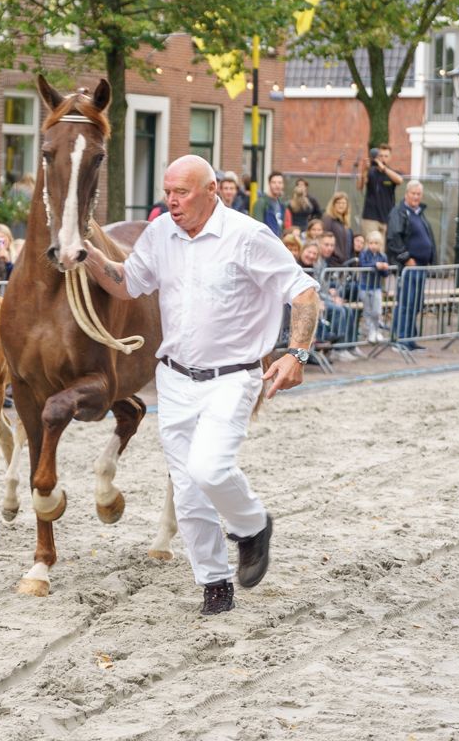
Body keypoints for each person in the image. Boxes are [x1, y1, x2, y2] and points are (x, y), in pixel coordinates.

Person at [81, 154, 321, 616]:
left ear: (212, 191)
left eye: (182, 192)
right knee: (188, 490)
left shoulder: (248, 236)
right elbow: (127, 283)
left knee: (210, 468)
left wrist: (297, 354)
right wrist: (87, 254)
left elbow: (303, 292)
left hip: (232, 377)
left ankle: (252, 526)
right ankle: (214, 583)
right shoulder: (160, 234)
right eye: (167, 192)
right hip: (173, 378)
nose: (171, 201)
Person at [386, 180, 436, 351]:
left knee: (415, 304)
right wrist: (406, 258)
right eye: (413, 193)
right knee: (406, 303)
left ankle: (410, 340)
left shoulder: (419, 213)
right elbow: (393, 238)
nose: (416, 197)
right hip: (408, 268)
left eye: (418, 194)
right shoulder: (398, 212)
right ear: (406, 194)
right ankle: (400, 340)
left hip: (421, 266)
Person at [357, 144, 403, 241]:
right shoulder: (371, 172)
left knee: (385, 247)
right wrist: (363, 170)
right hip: (370, 217)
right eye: (381, 156)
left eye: (386, 156)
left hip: (387, 218)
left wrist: (384, 169)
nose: (383, 158)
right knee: (370, 244)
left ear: (390, 158)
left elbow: (399, 180)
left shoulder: (392, 173)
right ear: (377, 157)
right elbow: (359, 187)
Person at [356, 231, 390, 344]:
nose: (373, 246)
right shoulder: (364, 254)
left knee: (377, 311)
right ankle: (370, 331)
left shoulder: (383, 256)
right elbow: (362, 265)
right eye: (371, 243)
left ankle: (376, 330)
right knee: (368, 311)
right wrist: (375, 265)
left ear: (380, 244)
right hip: (364, 287)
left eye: (376, 243)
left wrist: (384, 268)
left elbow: (385, 274)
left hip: (376, 287)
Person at [321, 192, 354, 264]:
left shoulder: (345, 222)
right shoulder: (328, 219)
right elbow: (324, 238)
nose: (341, 205)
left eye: (343, 203)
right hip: (332, 261)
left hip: (344, 262)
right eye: (338, 203)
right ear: (333, 204)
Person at [253, 171, 287, 237]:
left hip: (278, 240)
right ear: (269, 184)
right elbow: (258, 228)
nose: (277, 185)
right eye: (274, 182)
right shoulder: (261, 203)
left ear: (283, 185)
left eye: (280, 183)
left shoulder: (282, 205)